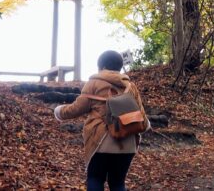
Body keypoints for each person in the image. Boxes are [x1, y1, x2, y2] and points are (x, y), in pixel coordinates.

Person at [54, 50, 150, 191]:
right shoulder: (130, 86)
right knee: (118, 183)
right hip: (127, 142)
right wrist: (145, 126)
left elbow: (77, 108)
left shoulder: (94, 83)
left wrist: (59, 111)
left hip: (100, 142)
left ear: (102, 66)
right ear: (119, 66)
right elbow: (142, 115)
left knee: (95, 179)